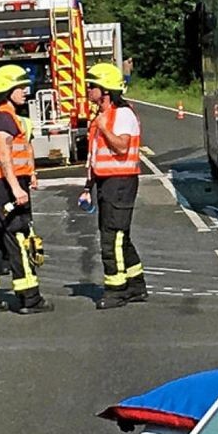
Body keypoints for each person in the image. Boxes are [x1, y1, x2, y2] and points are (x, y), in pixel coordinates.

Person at [0, 65, 52, 315]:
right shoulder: (4, 116)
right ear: (8, 90)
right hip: (6, 185)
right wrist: (17, 187)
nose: (26, 91)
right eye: (20, 87)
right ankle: (30, 298)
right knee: (18, 235)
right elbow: (4, 155)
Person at [78, 62, 147, 310]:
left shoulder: (123, 115)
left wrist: (104, 128)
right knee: (121, 237)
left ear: (105, 90)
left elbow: (121, 146)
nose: (88, 90)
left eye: (92, 86)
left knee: (112, 238)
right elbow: (95, 155)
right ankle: (136, 286)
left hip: (121, 181)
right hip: (106, 182)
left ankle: (116, 290)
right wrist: (88, 186)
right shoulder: (101, 116)